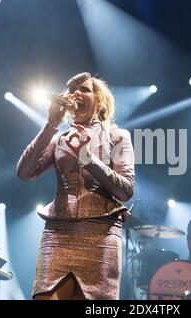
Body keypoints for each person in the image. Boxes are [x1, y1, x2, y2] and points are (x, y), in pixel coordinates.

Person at [17, 72, 135, 300]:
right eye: (72, 91)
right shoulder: (59, 139)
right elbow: (24, 172)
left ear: (99, 100)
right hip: (58, 232)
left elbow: (126, 190)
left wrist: (89, 159)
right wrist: (51, 124)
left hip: (100, 233)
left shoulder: (118, 136)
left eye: (84, 89)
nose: (75, 94)